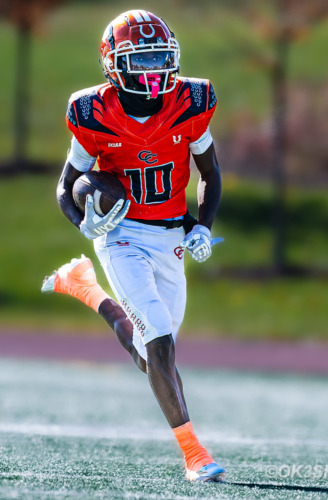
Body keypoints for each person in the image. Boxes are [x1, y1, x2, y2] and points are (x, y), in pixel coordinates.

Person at [41, 9, 225, 482]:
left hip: (170, 237)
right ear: (112, 64)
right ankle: (194, 454)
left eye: (161, 58)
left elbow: (210, 173)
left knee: (152, 356)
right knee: (159, 342)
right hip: (120, 236)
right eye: (141, 60)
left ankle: (85, 290)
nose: (154, 71)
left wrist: (202, 226)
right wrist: (82, 220)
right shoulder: (92, 111)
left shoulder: (191, 101)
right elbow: (67, 186)